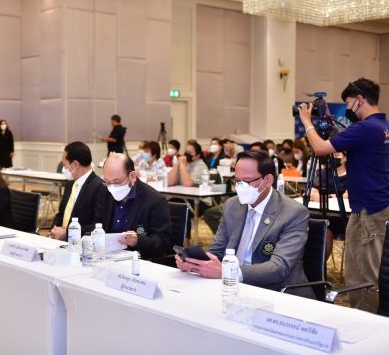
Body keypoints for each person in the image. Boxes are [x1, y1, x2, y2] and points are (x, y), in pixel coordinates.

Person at [298, 77, 389, 312]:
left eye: (348, 103)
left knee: (363, 272)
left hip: (369, 209)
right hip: (374, 205)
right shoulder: (382, 127)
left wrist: (307, 121)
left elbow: (320, 148)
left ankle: (366, 319)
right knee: (365, 267)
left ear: (360, 99)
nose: (348, 108)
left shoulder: (365, 128)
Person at [176, 150, 312, 298]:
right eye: (237, 181)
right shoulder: (232, 205)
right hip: (232, 286)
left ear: (267, 180)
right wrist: (196, 263)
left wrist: (229, 272)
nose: (240, 187)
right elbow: (218, 251)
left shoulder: (293, 212)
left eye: (247, 182)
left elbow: (279, 268)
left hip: (278, 292)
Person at [94, 153, 172, 259]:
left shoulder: (154, 200)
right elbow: (98, 223)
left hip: (139, 259)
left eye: (117, 182)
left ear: (133, 176)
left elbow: (163, 243)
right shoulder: (105, 192)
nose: (112, 187)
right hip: (107, 256)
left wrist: (138, 241)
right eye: (107, 182)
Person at [49, 142, 105, 240]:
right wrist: (54, 229)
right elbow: (61, 213)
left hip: (80, 242)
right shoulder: (70, 184)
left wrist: (67, 232)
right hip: (60, 241)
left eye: (64, 165)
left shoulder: (99, 187)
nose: (63, 169)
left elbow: (98, 225)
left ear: (75, 164)